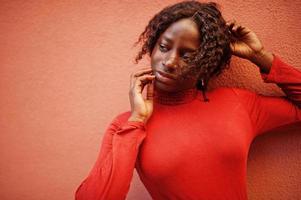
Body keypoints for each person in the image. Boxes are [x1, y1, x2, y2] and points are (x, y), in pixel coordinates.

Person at [75, 1, 301, 199]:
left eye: (188, 55)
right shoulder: (125, 126)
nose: (170, 61)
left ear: (207, 64)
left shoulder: (238, 104)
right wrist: (136, 121)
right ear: (151, 47)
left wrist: (260, 57)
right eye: (163, 47)